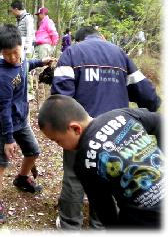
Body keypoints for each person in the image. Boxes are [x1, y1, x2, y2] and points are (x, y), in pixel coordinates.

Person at [50, 26, 161, 230]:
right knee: (110, 179)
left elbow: (61, 97)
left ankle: (69, 225)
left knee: (75, 178)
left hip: (80, 132)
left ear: (78, 39)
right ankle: (100, 227)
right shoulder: (118, 53)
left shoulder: (72, 53)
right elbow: (144, 92)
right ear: (100, 36)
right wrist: (152, 106)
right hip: (119, 130)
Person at [38, 94, 163, 229]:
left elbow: (104, 206)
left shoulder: (85, 161)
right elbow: (160, 122)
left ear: (75, 128)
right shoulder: (122, 114)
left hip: (144, 222)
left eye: (57, 140)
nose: (59, 145)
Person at [0, 24, 54, 223]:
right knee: (0, 165)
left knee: (33, 151)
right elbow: (3, 110)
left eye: (16, 52)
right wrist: (8, 139)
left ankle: (22, 178)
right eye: (7, 55)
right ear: (0, 52)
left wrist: (42, 61)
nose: (13, 58)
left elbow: (26, 64)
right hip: (4, 125)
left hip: (22, 120)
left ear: (21, 46)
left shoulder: (21, 59)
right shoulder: (2, 78)